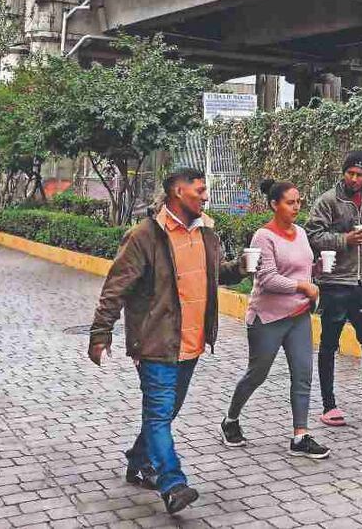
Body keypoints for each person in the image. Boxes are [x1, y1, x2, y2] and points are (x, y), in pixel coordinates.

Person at [88, 168, 245, 515]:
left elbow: (214, 273)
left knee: (167, 412)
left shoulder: (206, 232)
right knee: (159, 414)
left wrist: (242, 268)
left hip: (191, 342)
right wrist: (100, 332)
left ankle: (138, 460)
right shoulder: (144, 236)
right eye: (199, 190)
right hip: (156, 342)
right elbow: (116, 287)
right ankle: (172, 484)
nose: (205, 196)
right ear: (177, 191)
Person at [220, 180, 330, 459]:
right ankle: (231, 419)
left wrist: (318, 269)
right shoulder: (263, 237)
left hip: (298, 316)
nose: (296, 207)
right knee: (257, 374)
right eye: (290, 202)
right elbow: (267, 278)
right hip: (267, 318)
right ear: (274, 204)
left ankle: (300, 436)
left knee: (303, 375)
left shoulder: (301, 233)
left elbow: (303, 269)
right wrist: (303, 286)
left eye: (298, 201)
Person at [305, 150, 362, 429]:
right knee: (329, 344)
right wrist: (344, 239)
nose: (354, 178)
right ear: (343, 172)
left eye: (360, 174)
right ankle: (329, 405)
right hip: (336, 283)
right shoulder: (328, 200)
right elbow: (312, 236)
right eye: (350, 173)